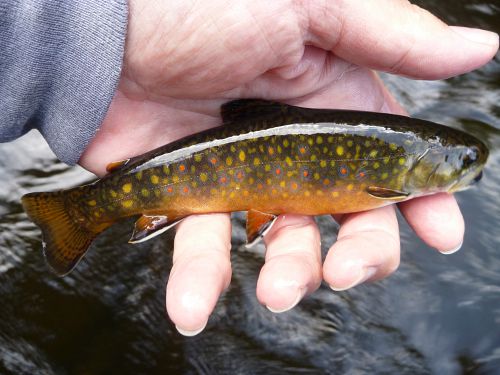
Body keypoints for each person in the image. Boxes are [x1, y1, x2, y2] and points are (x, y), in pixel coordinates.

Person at [1, 0, 498, 336]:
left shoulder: (393, 159)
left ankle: (80, 211)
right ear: (420, 165)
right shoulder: (386, 180)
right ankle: (78, 213)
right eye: (460, 162)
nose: (468, 166)